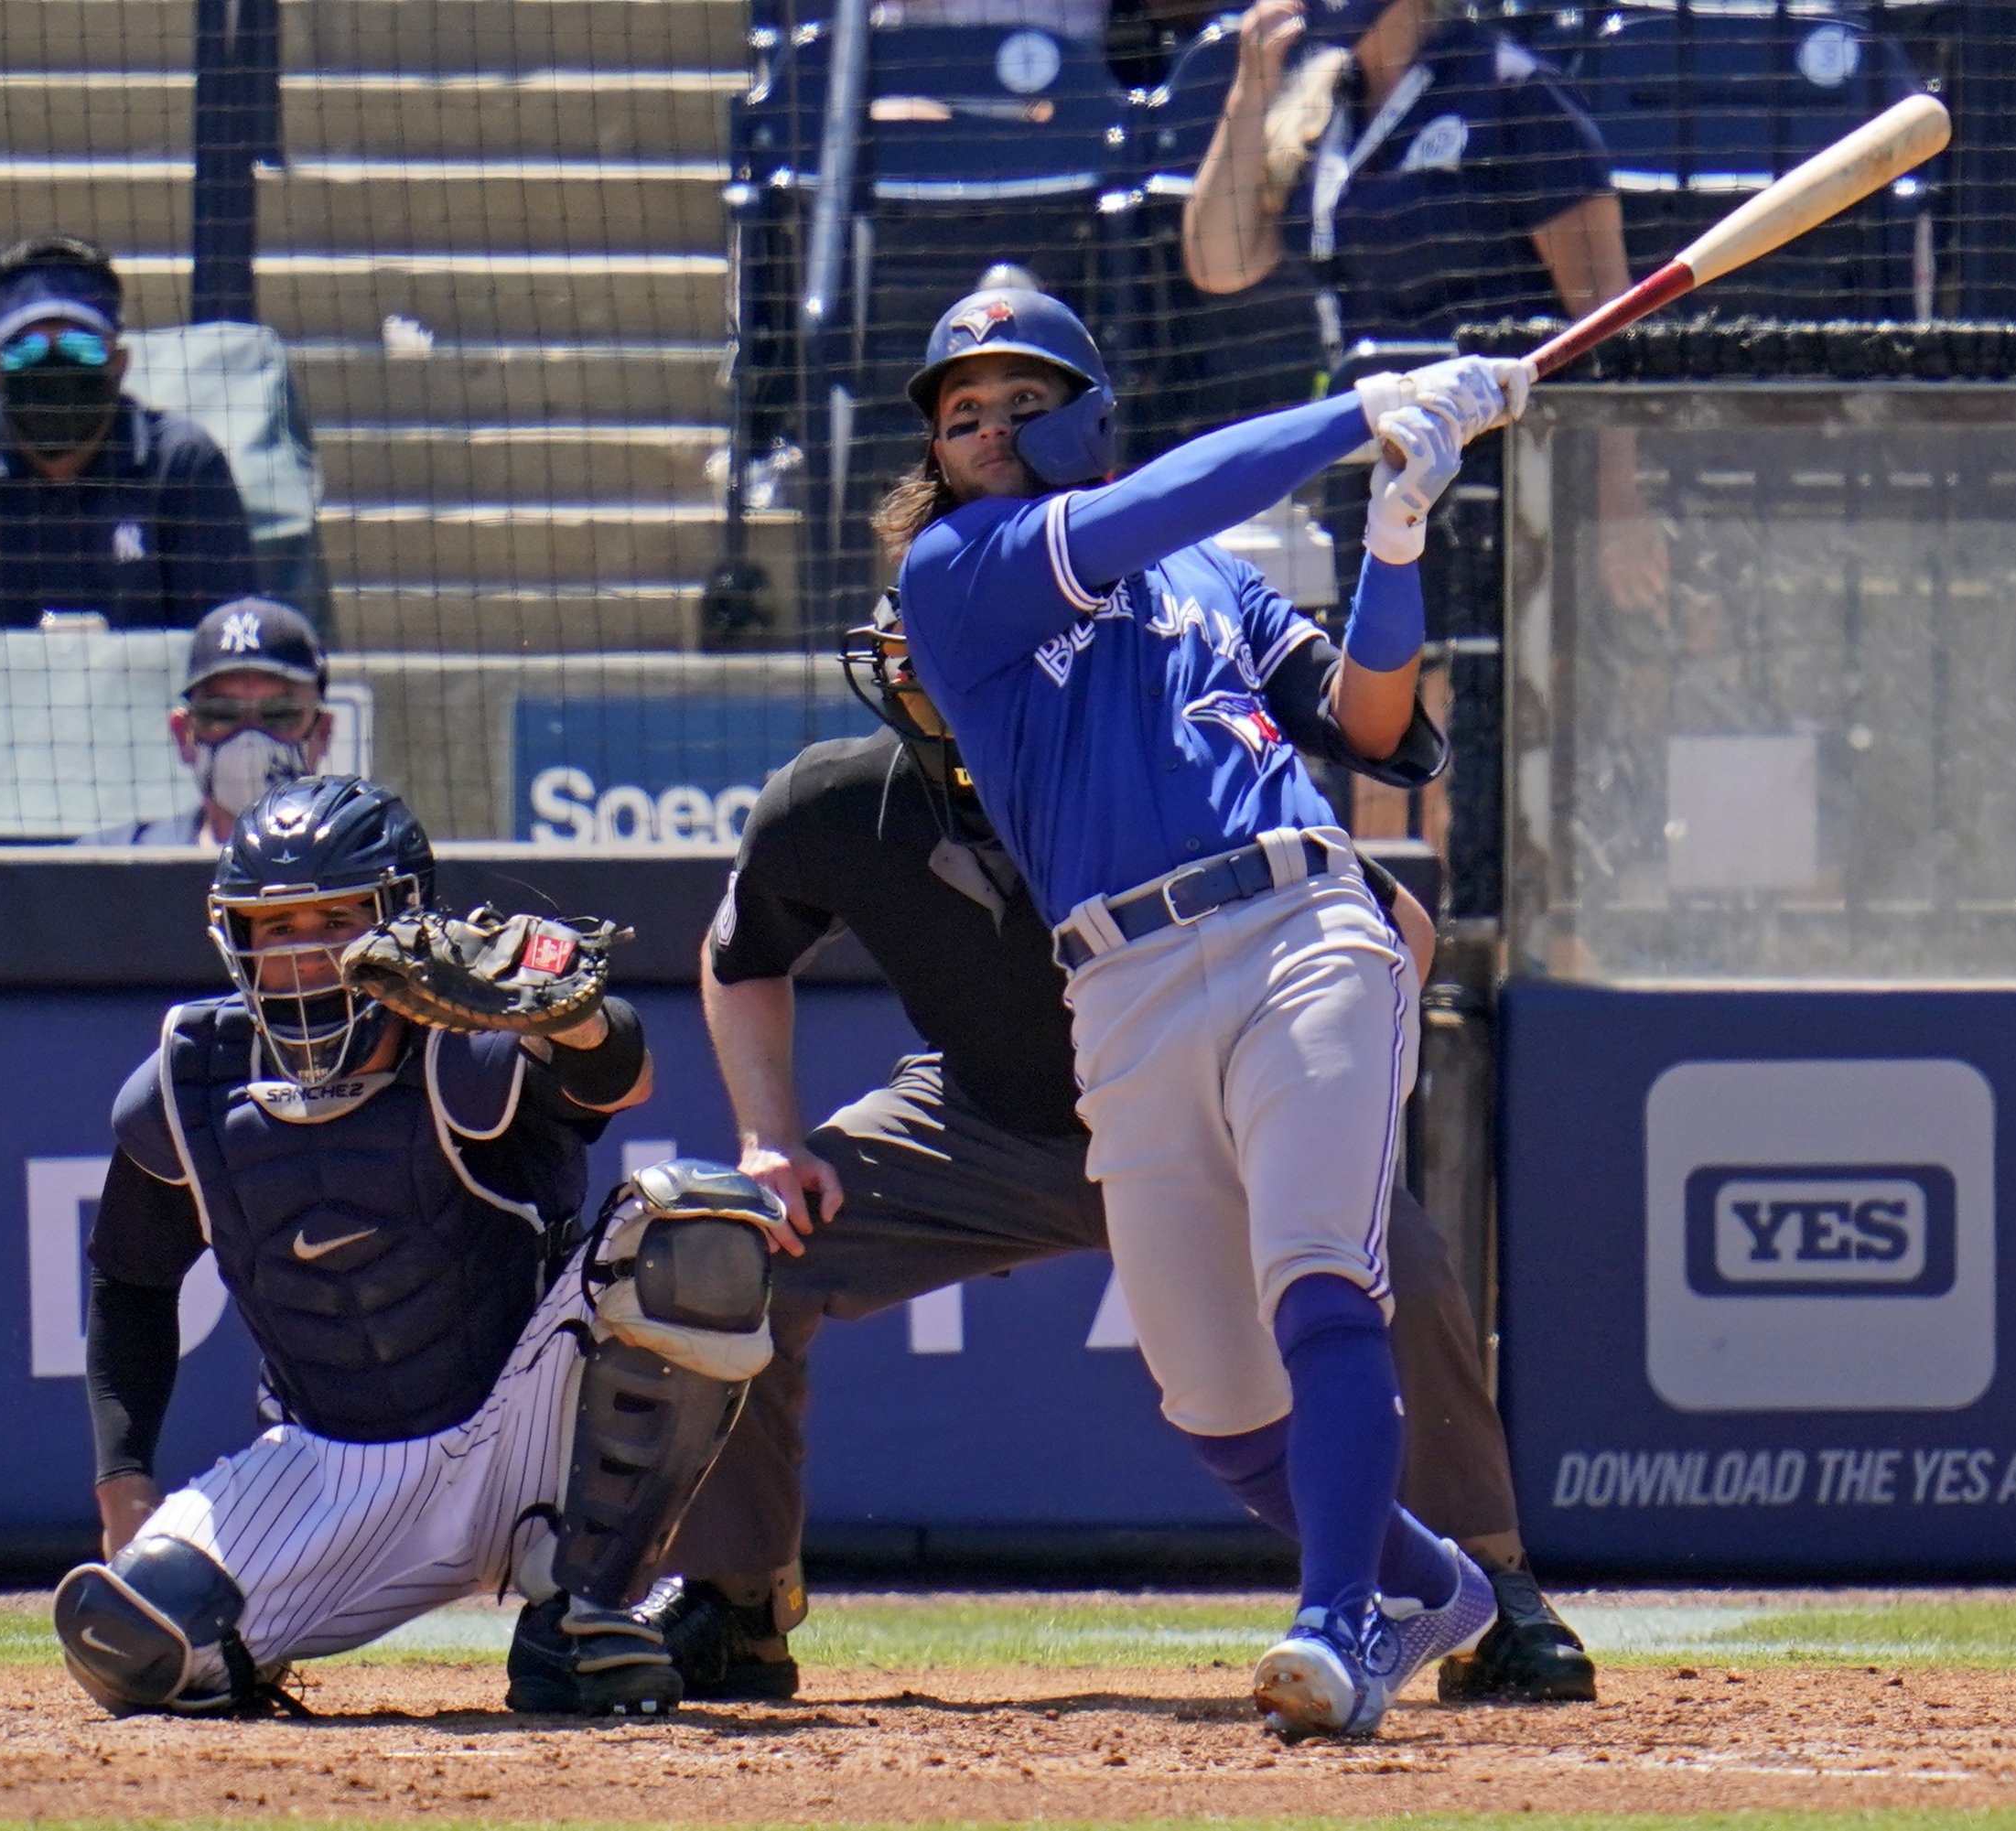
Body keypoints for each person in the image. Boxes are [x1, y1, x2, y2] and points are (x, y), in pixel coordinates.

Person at [656, 597, 1593, 1707]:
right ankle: (735, 1596)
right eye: (916, 660)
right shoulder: (834, 798)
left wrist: (1323, 1093)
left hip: (1208, 1107)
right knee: (736, 1250)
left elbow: (1395, 922)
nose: (935, 680)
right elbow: (738, 952)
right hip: (985, 1121)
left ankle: (1487, 1585)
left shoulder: (1160, 771)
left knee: (1407, 1268)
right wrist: (766, 1142)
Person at [885, 281, 1522, 1740]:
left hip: (1298, 923)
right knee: (1218, 1406)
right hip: (1117, 983)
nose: (985, 431)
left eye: (1019, 402)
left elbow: (1373, 731)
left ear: (1088, 414)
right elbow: (1151, 508)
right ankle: (1422, 1583)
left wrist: (1398, 531)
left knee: (1314, 1268)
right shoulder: (954, 567)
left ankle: (1339, 1623)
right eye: (961, 414)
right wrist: (1358, 410)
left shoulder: (1212, 578)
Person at [57, 773, 782, 1718]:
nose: (308, 956)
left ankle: (584, 1604)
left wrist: (565, 1011)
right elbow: (130, 1282)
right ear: (236, 941)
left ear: (401, 921)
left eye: (337, 922)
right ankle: (258, 1627)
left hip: (529, 1431)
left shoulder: (472, 1046)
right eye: (278, 930)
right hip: (333, 1465)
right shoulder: (187, 1087)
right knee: (131, 1647)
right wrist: (124, 1490)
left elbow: (619, 1074)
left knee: (701, 1227)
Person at [1181, 0, 1666, 609]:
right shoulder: (1321, 105)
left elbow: (1604, 317)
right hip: (1372, 464)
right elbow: (1216, 264)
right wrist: (1250, 89)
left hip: (1504, 471)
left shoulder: (1511, 92)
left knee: (1475, 686)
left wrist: (1616, 496)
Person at [0, 234, 257, 630]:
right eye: (26, 351)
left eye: (82, 347)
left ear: (119, 364)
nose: (55, 364)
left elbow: (230, 658)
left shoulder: (182, 467)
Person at [86, 598, 335, 845]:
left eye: (280, 714)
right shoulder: (115, 866)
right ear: (183, 734)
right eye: (220, 714)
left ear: (322, 733)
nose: (249, 740)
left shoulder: (364, 870)